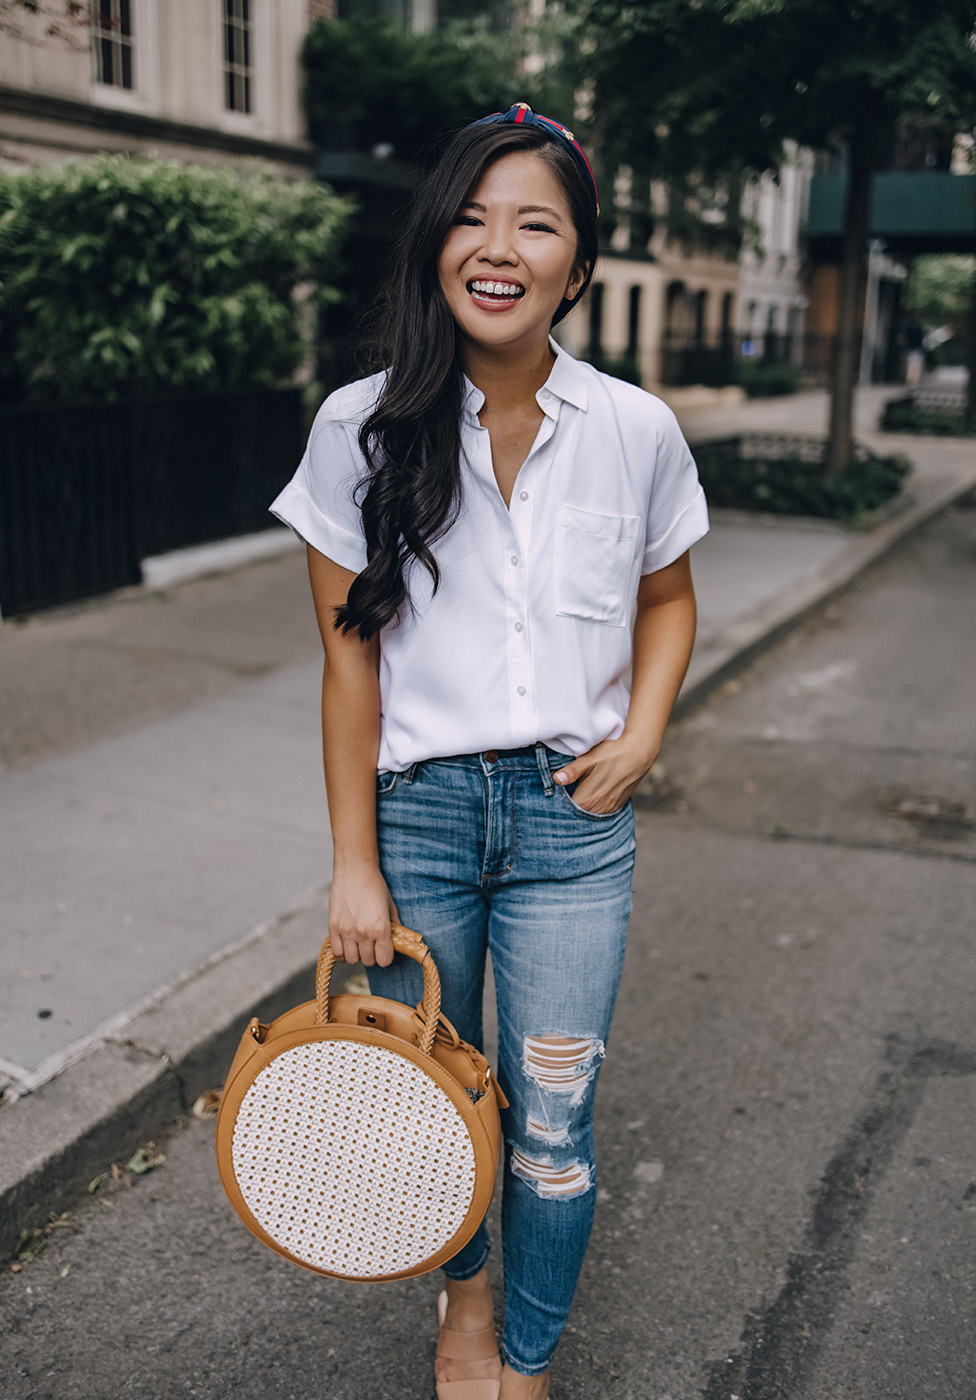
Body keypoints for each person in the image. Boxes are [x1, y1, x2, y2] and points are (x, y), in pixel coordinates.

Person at [270, 102, 709, 1400]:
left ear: (577, 261)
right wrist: (354, 863)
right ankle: (465, 1305)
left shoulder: (635, 431)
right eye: (469, 216)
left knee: (555, 1128)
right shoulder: (361, 426)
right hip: (418, 827)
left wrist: (647, 730)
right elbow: (349, 659)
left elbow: (669, 598)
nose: (497, 245)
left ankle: (525, 1359)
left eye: (535, 221)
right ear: (436, 246)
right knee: (433, 1111)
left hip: (576, 832)